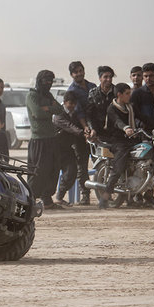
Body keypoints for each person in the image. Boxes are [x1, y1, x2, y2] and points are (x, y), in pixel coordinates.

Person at [27, 70, 64, 209]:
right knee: (38, 171)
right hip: (39, 139)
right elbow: (37, 112)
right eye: (46, 80)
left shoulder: (48, 95)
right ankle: (30, 200)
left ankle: (47, 199)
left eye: (50, 81)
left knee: (53, 169)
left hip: (51, 138)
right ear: (39, 80)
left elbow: (60, 109)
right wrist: (49, 109)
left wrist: (47, 107)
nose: (48, 83)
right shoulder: (32, 96)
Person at [99, 83, 138, 209]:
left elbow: (143, 117)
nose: (129, 96)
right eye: (127, 93)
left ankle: (134, 195)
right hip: (117, 141)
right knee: (119, 167)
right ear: (119, 94)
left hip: (130, 139)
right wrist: (126, 128)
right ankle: (104, 197)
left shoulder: (130, 108)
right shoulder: (112, 108)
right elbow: (117, 121)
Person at [129, 62, 154, 207]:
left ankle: (150, 195)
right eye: (145, 76)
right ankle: (137, 194)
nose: (148, 79)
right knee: (142, 165)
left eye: (150, 76)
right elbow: (134, 114)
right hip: (144, 134)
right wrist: (141, 126)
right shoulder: (138, 93)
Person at [66, 61, 96, 205]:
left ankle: (105, 193)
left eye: (80, 70)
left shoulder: (92, 86)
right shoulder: (72, 90)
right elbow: (78, 112)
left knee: (102, 162)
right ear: (71, 75)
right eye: (75, 72)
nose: (79, 74)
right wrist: (86, 129)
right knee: (82, 166)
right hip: (80, 133)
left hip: (95, 129)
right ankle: (85, 195)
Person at [53, 91, 85, 206]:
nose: (72, 106)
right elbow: (69, 127)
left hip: (67, 149)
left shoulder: (74, 113)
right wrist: (82, 133)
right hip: (55, 149)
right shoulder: (58, 114)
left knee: (71, 172)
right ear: (65, 102)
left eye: (74, 104)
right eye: (70, 103)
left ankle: (59, 197)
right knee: (50, 175)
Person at [86, 66, 116, 142]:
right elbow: (89, 114)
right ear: (100, 78)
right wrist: (92, 128)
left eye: (110, 77)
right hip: (98, 131)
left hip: (115, 131)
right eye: (105, 77)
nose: (108, 79)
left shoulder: (117, 91)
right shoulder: (93, 93)